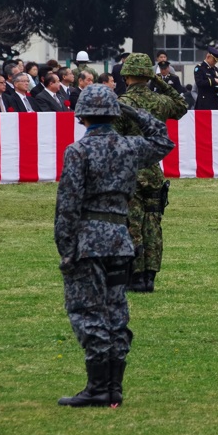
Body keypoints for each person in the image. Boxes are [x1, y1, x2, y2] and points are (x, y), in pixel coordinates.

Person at [55, 85, 175, 408]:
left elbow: (67, 206)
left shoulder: (77, 152)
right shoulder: (128, 147)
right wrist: (133, 111)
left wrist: (65, 249)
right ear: (114, 115)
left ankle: (98, 388)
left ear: (82, 117)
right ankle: (114, 389)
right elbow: (163, 140)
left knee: (89, 312)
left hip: (88, 242)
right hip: (121, 240)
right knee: (116, 312)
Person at [113, 53, 188, 294]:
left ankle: (134, 276)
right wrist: (161, 82)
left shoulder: (121, 103)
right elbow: (181, 106)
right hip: (153, 171)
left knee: (131, 223)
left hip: (129, 172)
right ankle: (149, 276)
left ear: (127, 76)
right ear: (148, 76)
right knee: (153, 224)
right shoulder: (160, 102)